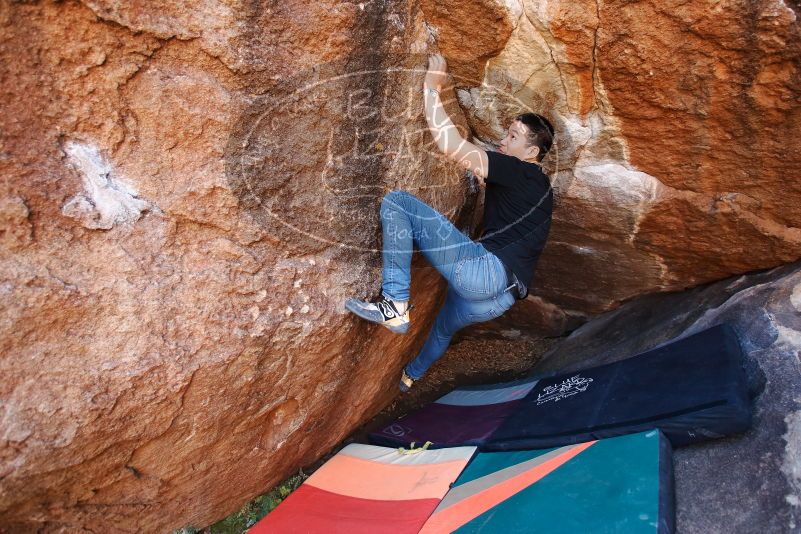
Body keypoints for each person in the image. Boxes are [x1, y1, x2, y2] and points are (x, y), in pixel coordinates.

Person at [345, 53, 554, 392]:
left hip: (484, 275)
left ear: (532, 153)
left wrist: (431, 89)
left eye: (513, 136)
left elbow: (450, 145)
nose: (503, 140)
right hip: (497, 301)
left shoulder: (520, 171)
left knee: (397, 202)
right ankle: (410, 377)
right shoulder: (540, 190)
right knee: (442, 329)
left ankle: (395, 304)